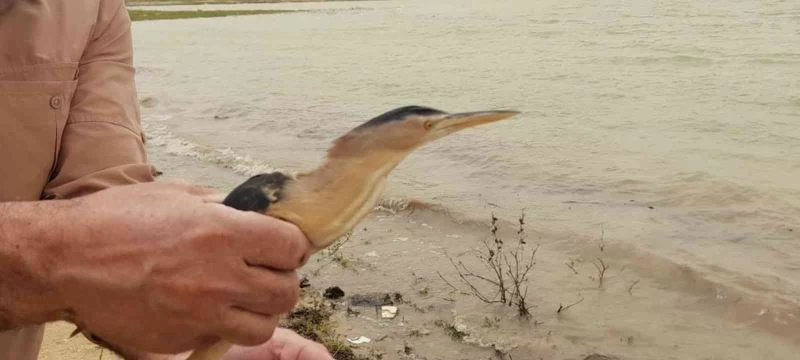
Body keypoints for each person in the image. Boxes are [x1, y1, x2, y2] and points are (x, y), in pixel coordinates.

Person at [0, 0, 332, 359]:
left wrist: (198, 339)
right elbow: (87, 250)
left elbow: (102, 204)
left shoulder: (95, 10)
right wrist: (52, 257)